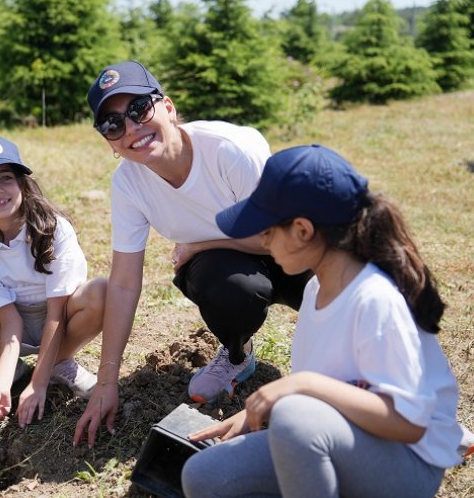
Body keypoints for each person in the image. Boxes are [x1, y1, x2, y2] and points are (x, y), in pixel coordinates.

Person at [181, 144, 465, 497]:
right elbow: (334, 386)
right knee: (205, 476)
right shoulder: (318, 287)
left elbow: (408, 424)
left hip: (408, 464)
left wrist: (302, 387)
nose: (263, 242)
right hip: (346, 439)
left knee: (296, 419)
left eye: (267, 231)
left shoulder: (374, 300)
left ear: (302, 230)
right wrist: (253, 417)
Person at [73, 60, 310, 447]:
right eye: (113, 124)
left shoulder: (228, 152)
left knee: (322, 287)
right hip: (235, 262)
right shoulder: (129, 185)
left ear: (167, 107)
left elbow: (284, 238)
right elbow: (123, 283)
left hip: (293, 246)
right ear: (109, 142)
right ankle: (238, 356)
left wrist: (202, 242)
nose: (131, 127)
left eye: (138, 108)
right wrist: (106, 381)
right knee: (227, 288)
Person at [0, 132, 106, 438]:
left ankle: (57, 362)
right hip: (4, 323)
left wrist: (38, 383)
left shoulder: (54, 229)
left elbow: (57, 312)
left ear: (22, 185)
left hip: (57, 320)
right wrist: (2, 386)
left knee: (101, 292)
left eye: (6, 178)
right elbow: (9, 320)